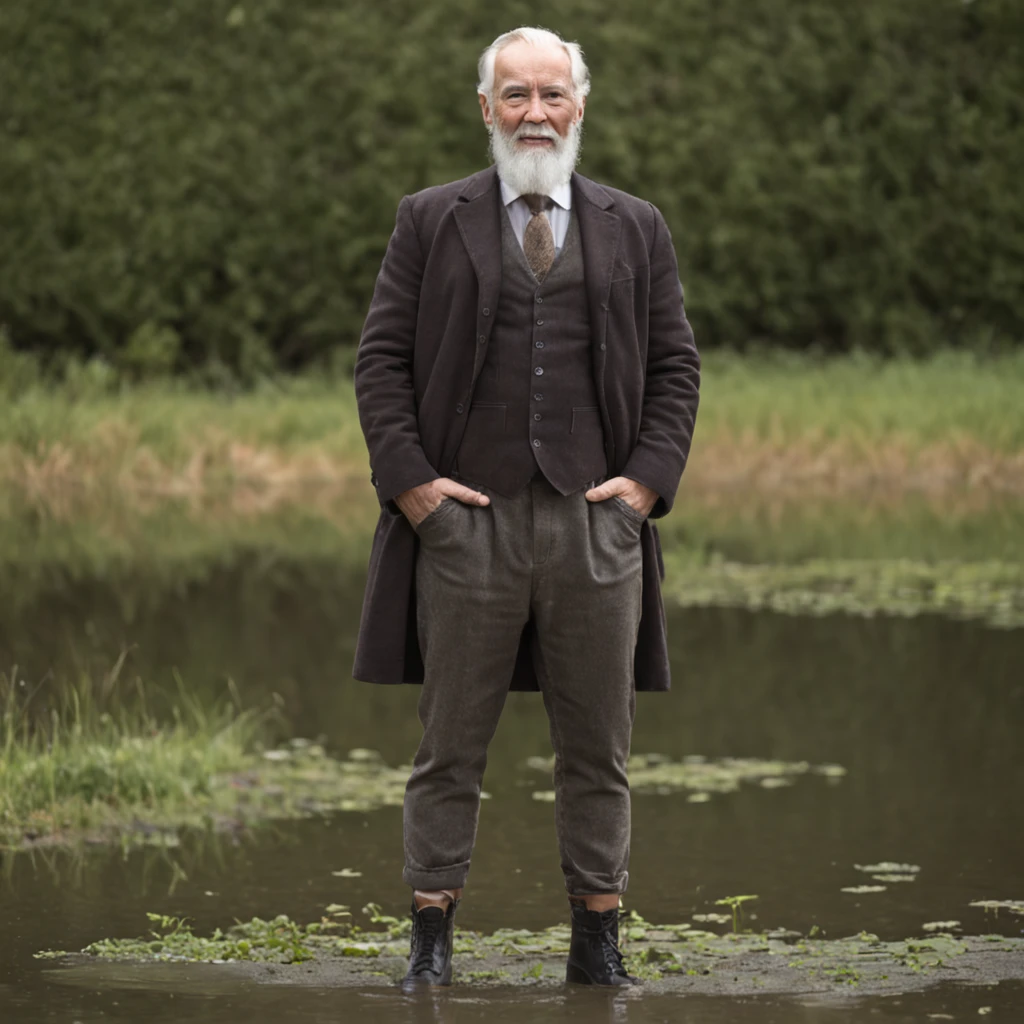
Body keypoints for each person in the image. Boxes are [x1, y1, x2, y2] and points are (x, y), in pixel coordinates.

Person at [353, 25, 700, 990]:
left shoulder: (637, 225)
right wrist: (418, 492)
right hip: (467, 529)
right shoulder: (429, 218)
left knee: (599, 748)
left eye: (552, 94)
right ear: (486, 108)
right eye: (516, 95)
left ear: (580, 104)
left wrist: (642, 489)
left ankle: (596, 946)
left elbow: (676, 367)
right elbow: (379, 363)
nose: (534, 113)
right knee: (447, 747)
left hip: (598, 528)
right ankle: (430, 947)